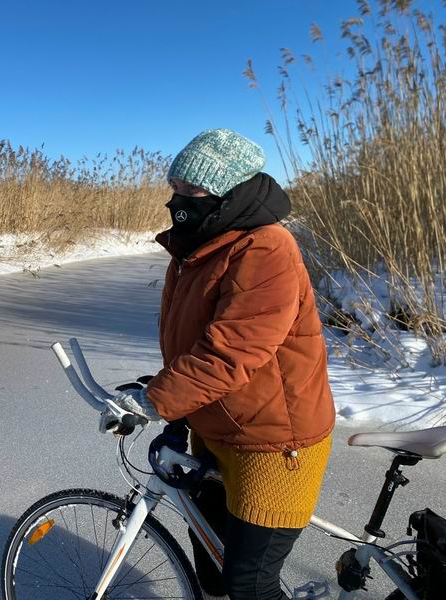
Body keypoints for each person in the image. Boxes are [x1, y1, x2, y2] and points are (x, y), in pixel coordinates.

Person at [110, 128, 336, 600]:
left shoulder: (266, 248)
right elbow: (192, 343)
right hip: (216, 427)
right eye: (176, 188)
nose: (178, 200)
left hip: (273, 442)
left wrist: (156, 401)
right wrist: (173, 404)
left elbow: (232, 350)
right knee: (211, 561)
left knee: (249, 584)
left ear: (229, 191)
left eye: (191, 190)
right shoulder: (197, 245)